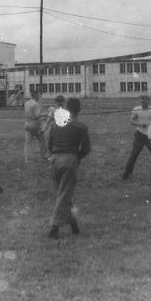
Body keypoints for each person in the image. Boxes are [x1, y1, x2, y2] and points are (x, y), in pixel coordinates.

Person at [46, 98, 91, 239]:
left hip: (53, 160)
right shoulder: (81, 126)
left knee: (62, 195)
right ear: (79, 110)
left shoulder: (55, 124)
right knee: (64, 196)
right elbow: (86, 149)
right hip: (69, 160)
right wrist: (76, 158)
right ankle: (54, 228)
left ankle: (74, 225)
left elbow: (49, 144)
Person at [121, 95, 151, 181]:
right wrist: (140, 124)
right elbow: (131, 121)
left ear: (148, 101)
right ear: (140, 101)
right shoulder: (137, 109)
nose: (144, 103)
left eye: (145, 101)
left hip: (150, 136)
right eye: (142, 101)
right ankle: (126, 175)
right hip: (140, 135)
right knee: (134, 155)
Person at [23, 90, 46, 163]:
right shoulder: (36, 104)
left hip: (27, 124)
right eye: (38, 95)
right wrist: (45, 114)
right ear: (35, 95)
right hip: (34, 125)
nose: (39, 97)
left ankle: (27, 159)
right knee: (42, 141)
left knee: (28, 143)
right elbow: (37, 115)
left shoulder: (26, 103)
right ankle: (43, 156)